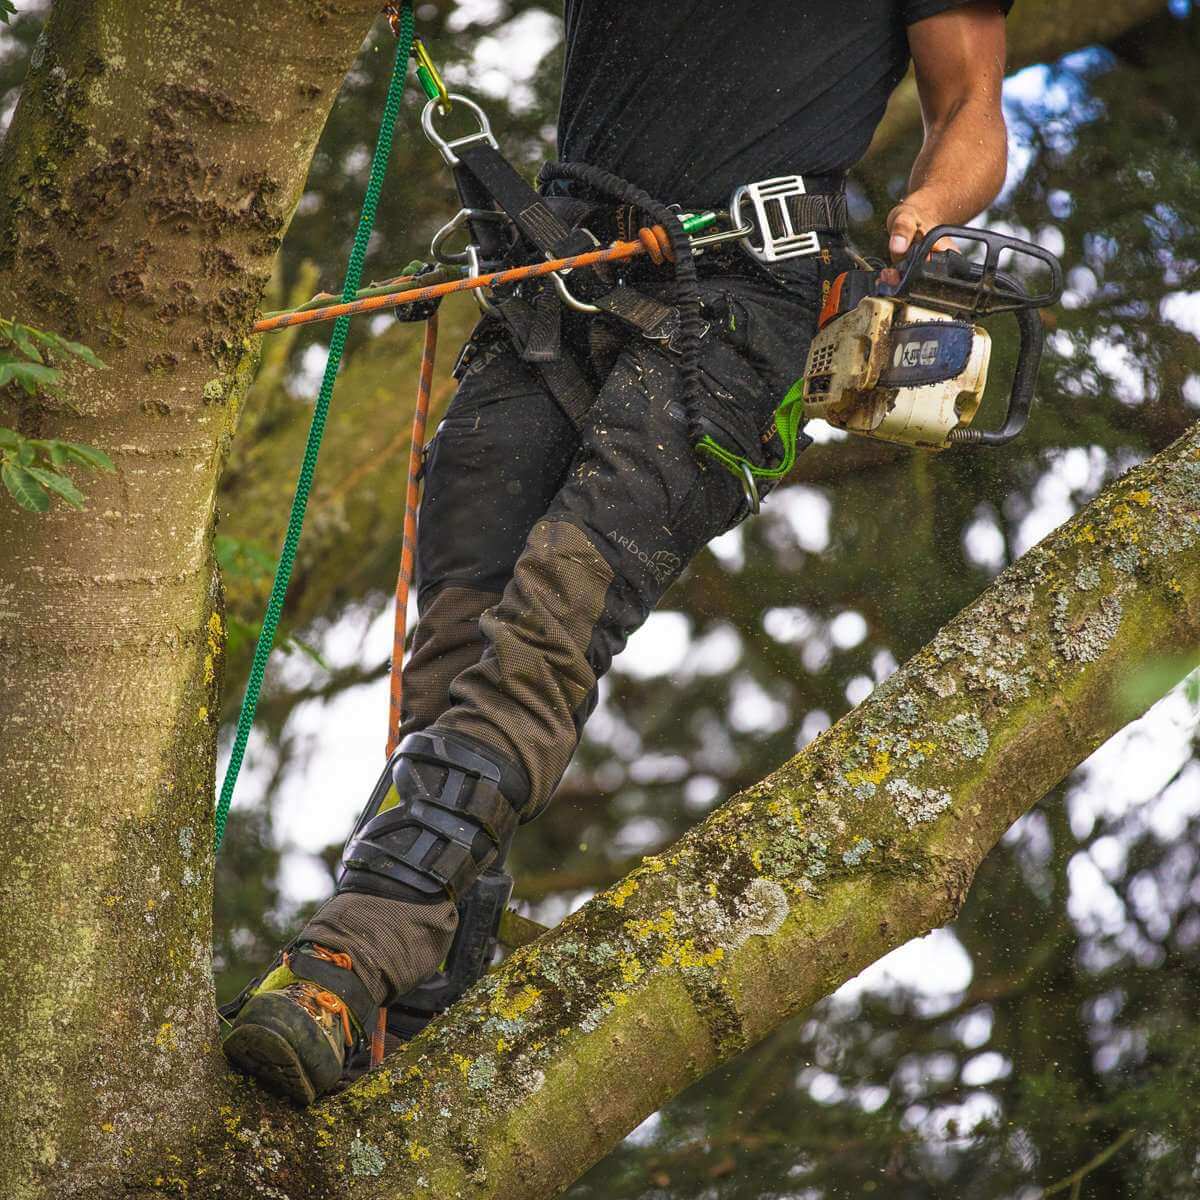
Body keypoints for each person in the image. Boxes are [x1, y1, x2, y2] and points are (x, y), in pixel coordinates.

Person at [223, 0, 1013, 1103]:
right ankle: (413, 1012)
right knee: (454, 649)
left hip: (742, 305)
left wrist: (916, 221)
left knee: (549, 625)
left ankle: (340, 964)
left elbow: (974, 104)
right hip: (556, 269)